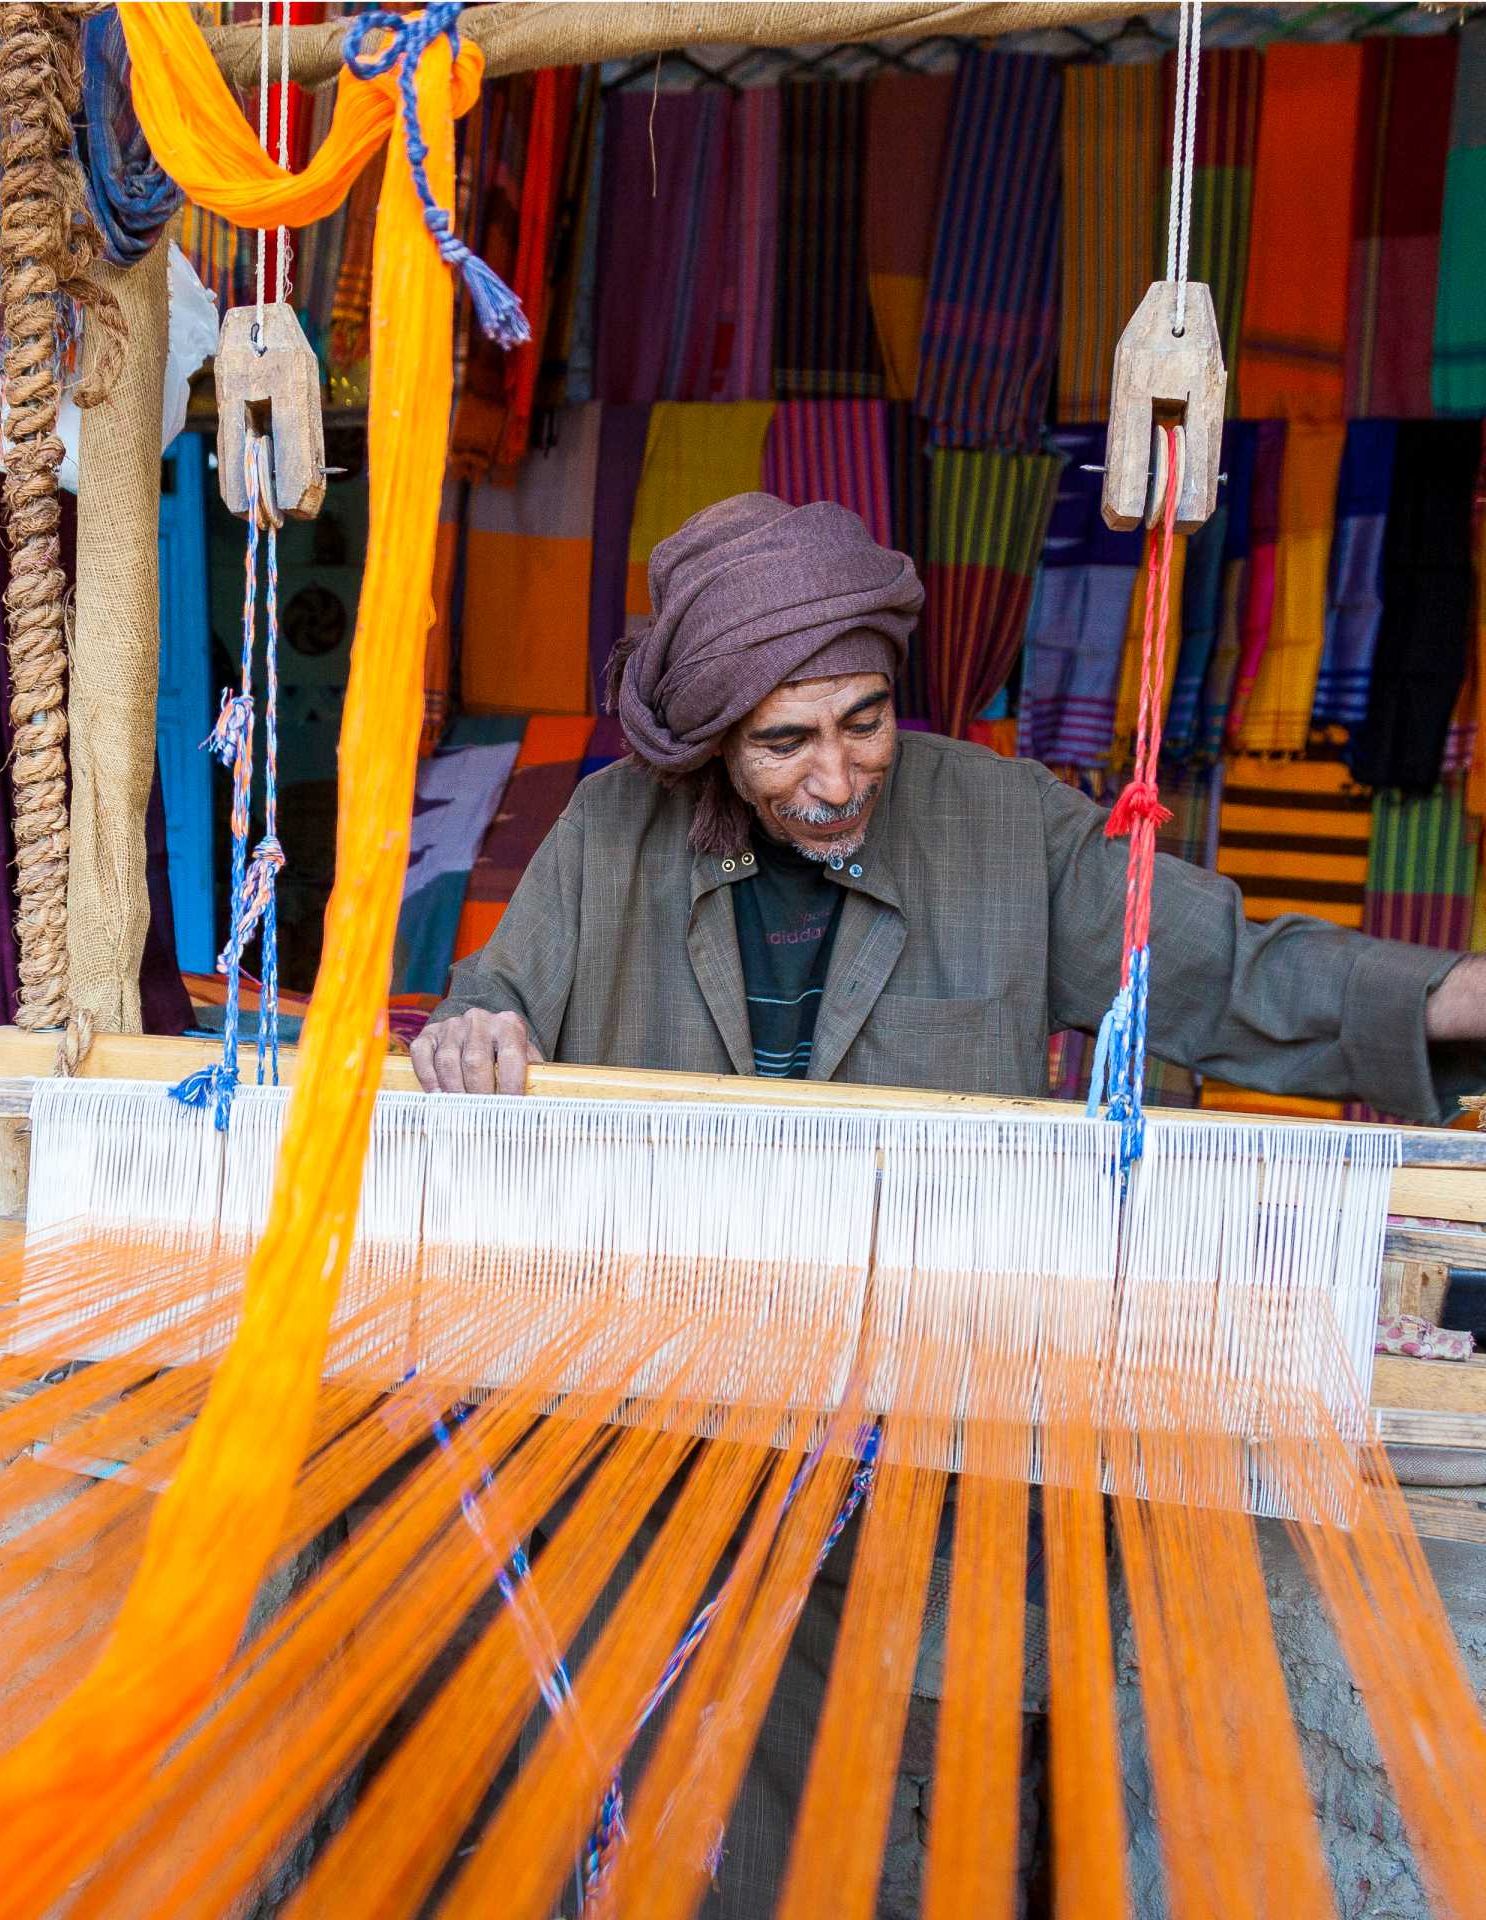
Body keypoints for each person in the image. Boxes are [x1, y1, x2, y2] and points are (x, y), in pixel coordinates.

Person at [406, 493, 1486, 1915]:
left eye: (863, 719)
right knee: (652, 1730)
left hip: (924, 1409)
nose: (839, 773)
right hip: (664, 1394)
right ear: (714, 739)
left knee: (891, 1777)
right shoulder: (613, 832)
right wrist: (473, 1031)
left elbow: (1218, 971)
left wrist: (1456, 1000)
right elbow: (496, 999)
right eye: (785, 739)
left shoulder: (997, 823)